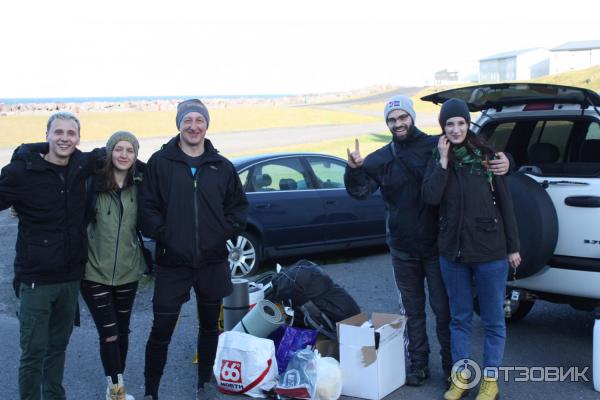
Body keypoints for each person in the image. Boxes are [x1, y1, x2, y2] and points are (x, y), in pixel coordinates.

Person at [344, 95, 511, 386]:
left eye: (402, 117)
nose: (398, 123)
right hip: (402, 250)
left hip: (437, 248)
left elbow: (475, 147)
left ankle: (451, 369)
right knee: (412, 313)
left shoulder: (437, 145)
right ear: (388, 123)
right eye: (392, 120)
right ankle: (418, 365)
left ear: (411, 117)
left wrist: (507, 160)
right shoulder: (381, 158)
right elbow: (359, 191)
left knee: (445, 312)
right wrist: (355, 169)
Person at [139, 99, 248, 400]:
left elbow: (238, 209)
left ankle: (204, 384)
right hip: (172, 263)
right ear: (179, 124)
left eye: (199, 120)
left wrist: (220, 234)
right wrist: (165, 235)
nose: (193, 126)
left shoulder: (221, 166)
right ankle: (151, 391)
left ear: (207, 125)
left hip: (212, 261)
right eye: (187, 120)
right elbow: (147, 208)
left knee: (210, 327)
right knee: (161, 329)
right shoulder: (160, 163)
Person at [421, 98, 521, 400]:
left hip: (490, 252)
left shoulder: (487, 157)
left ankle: (490, 381)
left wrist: (513, 246)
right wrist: (441, 162)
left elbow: (506, 203)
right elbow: (430, 197)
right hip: (452, 254)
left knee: (492, 320)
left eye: (460, 123)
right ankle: (462, 377)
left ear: (468, 124)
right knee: (459, 319)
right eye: (449, 124)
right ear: (443, 128)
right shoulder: (438, 158)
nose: (455, 129)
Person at [0, 112, 95, 400]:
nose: (65, 138)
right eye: (58, 132)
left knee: (58, 348)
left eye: (71, 133)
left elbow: (120, 155)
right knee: (33, 352)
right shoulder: (22, 172)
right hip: (36, 280)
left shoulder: (82, 165)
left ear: (78, 138)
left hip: (69, 279)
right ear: (47, 136)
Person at [81, 131, 145, 400]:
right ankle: (118, 391)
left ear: (135, 156)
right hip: (94, 272)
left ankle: (114, 381)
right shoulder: (92, 185)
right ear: (110, 152)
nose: (123, 155)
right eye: (118, 149)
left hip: (128, 272)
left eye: (129, 150)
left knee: (122, 330)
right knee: (108, 334)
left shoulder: (141, 186)